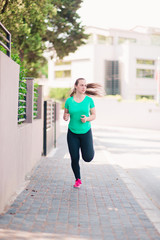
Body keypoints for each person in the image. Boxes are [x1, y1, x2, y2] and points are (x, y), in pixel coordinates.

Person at [63, 78, 103, 188]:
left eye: (85, 85)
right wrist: (65, 117)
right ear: (76, 86)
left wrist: (87, 118)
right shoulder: (69, 101)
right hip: (72, 133)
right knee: (74, 158)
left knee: (88, 158)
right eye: (81, 85)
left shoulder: (89, 100)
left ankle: (89, 147)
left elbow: (94, 115)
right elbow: (65, 115)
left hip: (86, 132)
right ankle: (78, 179)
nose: (84, 87)